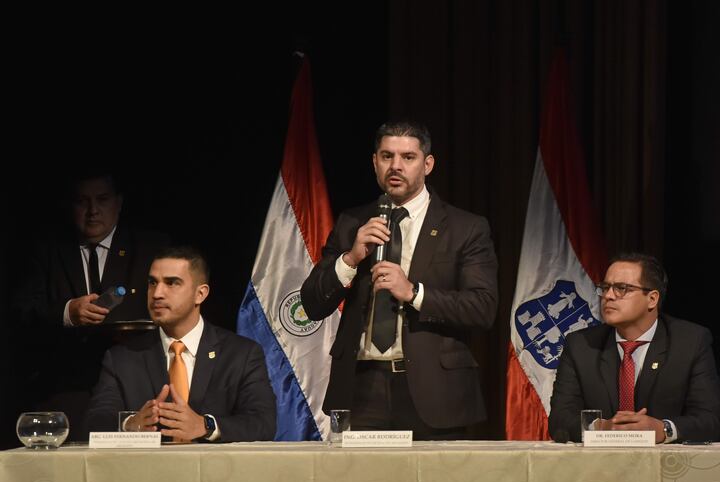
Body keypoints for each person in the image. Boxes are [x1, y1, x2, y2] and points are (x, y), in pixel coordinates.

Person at [301, 121, 498, 440]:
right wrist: (350, 259)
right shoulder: (353, 222)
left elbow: (483, 307)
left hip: (434, 390)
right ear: (374, 162)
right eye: (386, 156)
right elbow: (311, 304)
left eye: (408, 157)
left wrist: (414, 292)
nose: (396, 166)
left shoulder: (466, 228)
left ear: (427, 164)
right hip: (362, 387)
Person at [12, 173, 170, 439]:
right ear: (69, 206)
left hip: (135, 386)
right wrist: (67, 313)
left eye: (102, 200)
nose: (93, 211)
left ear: (118, 203)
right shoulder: (47, 250)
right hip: (66, 387)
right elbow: (20, 311)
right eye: (82, 201)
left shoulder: (151, 247)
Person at [87, 246, 276, 442]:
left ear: (200, 294)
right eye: (153, 283)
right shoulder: (122, 358)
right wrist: (130, 424)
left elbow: (263, 424)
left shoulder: (241, 354)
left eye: (171, 283)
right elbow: (96, 421)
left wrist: (205, 425)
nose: (157, 293)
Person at [548, 253, 720, 443]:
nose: (608, 296)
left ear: (652, 299)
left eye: (622, 288)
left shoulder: (690, 342)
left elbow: (709, 421)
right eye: (605, 287)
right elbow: (559, 420)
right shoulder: (581, 345)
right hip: (598, 466)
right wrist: (599, 427)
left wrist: (663, 429)